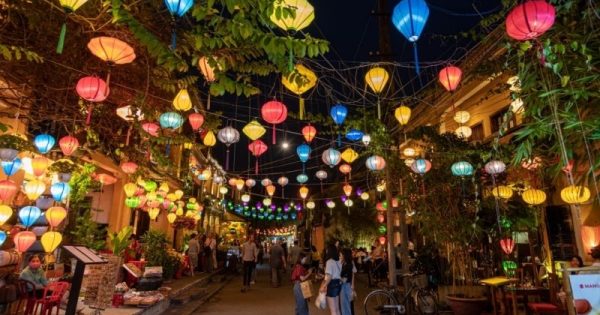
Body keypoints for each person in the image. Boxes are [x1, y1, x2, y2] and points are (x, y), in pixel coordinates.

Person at [319, 244, 342, 315]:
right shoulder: (339, 261)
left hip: (332, 285)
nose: (326, 251)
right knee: (337, 308)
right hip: (338, 284)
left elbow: (329, 276)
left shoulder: (329, 262)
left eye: (327, 250)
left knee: (333, 310)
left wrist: (323, 286)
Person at [340, 248, 356, 315]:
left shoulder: (348, 264)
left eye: (341, 255)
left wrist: (352, 285)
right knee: (346, 306)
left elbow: (348, 277)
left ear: (345, 255)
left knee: (346, 306)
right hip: (346, 285)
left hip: (346, 286)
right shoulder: (345, 263)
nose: (340, 256)